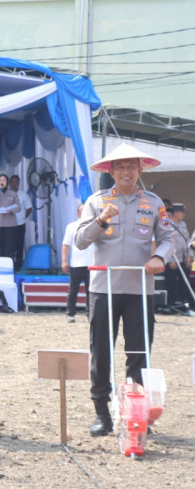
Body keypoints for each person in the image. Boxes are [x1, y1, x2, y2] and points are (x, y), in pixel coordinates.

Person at [75, 142, 173, 437]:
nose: (126, 171)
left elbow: (168, 237)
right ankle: (102, 413)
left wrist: (159, 257)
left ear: (140, 169)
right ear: (111, 171)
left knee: (139, 352)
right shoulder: (97, 201)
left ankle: (136, 410)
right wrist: (101, 219)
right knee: (101, 352)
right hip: (103, 288)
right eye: (120, 167)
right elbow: (80, 240)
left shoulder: (153, 202)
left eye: (132, 166)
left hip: (139, 289)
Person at [61, 204, 93, 322]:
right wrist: (64, 261)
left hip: (92, 264)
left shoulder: (94, 225)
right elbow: (66, 245)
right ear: (77, 213)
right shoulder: (72, 226)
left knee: (91, 291)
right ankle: (70, 313)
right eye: (82, 211)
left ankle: (90, 313)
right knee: (73, 290)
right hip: (76, 263)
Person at [165, 204, 193, 308]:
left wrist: (189, 256)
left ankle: (184, 303)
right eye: (182, 212)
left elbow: (187, 240)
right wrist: (170, 260)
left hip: (183, 258)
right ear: (175, 213)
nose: (184, 215)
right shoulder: (167, 225)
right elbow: (166, 244)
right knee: (171, 283)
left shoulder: (183, 224)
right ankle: (171, 303)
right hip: (172, 259)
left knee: (184, 283)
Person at [0, 173, 20, 266]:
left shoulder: (13, 194)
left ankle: (10, 267)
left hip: (10, 224)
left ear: (7, 182)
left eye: (4, 180)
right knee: (2, 246)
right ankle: (2, 267)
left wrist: (11, 210)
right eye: (0, 180)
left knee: (10, 247)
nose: (2, 182)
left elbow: (19, 208)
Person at [9, 175, 32, 272]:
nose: (15, 183)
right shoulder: (6, 194)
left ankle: (18, 266)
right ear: (10, 183)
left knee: (19, 245)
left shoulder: (23, 195)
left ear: (19, 183)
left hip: (20, 224)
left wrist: (23, 217)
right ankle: (10, 265)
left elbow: (29, 208)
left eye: (16, 182)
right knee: (10, 246)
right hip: (8, 224)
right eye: (13, 182)